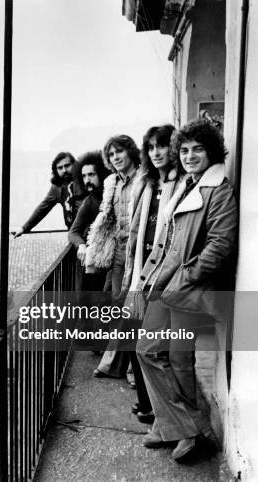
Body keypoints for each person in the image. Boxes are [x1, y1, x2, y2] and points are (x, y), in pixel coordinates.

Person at [136, 119, 237, 462]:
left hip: (190, 289)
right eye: (184, 150)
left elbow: (221, 243)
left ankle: (185, 433)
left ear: (211, 151)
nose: (189, 155)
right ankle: (182, 426)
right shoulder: (187, 185)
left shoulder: (218, 188)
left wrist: (187, 275)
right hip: (167, 284)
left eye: (197, 149)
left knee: (180, 359)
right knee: (147, 349)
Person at [120, 124, 182, 424]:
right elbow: (134, 229)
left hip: (161, 276)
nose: (157, 153)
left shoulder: (181, 183)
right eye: (152, 147)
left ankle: (158, 411)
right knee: (131, 337)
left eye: (162, 146)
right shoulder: (147, 182)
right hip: (139, 273)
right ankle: (146, 403)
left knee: (153, 348)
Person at [85, 135, 141, 379]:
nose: (116, 157)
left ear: (130, 152)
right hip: (119, 250)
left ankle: (131, 369)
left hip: (139, 251)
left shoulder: (144, 178)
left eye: (120, 151)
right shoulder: (111, 183)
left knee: (136, 308)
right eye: (111, 154)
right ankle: (114, 365)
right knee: (119, 307)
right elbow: (107, 218)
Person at [68, 151, 110, 349]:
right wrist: (81, 245)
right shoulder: (89, 202)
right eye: (84, 176)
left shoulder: (114, 195)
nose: (87, 180)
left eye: (91, 175)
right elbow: (73, 232)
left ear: (101, 173)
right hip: (95, 261)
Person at [14, 152, 83, 236]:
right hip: (74, 234)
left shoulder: (84, 179)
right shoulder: (57, 188)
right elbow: (43, 208)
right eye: (60, 168)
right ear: (56, 170)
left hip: (91, 230)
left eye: (67, 166)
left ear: (74, 165)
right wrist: (24, 228)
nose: (64, 170)